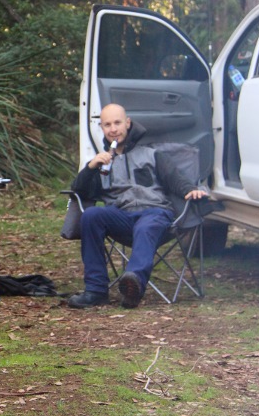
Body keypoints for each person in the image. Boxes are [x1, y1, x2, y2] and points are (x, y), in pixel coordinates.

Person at [67, 104, 208, 309]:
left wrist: (191, 189)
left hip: (155, 213)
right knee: (91, 215)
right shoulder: (102, 162)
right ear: (102, 128)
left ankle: (133, 283)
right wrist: (90, 168)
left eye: (117, 122)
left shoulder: (152, 154)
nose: (113, 129)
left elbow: (176, 180)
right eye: (107, 125)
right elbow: (79, 192)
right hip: (121, 216)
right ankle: (96, 291)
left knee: (146, 225)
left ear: (128, 123)